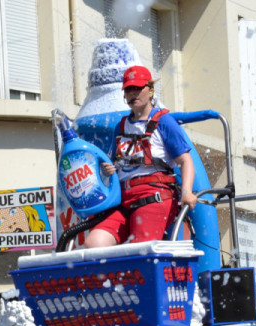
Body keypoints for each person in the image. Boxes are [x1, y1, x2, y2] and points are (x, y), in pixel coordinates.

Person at [85, 66, 198, 248]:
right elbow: (113, 164)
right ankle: (113, 276)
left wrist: (186, 192)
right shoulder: (120, 126)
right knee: (94, 243)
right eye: (129, 89)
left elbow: (185, 161)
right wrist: (109, 169)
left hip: (154, 195)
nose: (133, 93)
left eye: (138, 88)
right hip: (123, 199)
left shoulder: (164, 121)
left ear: (151, 90)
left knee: (138, 249)